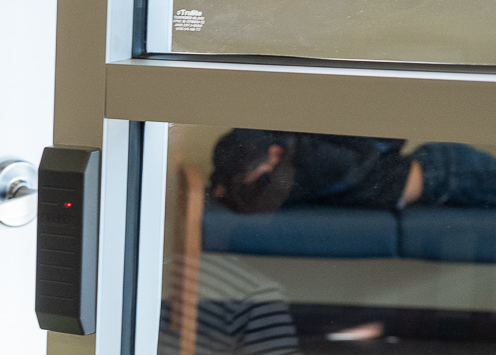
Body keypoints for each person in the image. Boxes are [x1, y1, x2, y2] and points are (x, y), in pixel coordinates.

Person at [210, 130, 496, 213]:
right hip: (439, 174)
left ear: (274, 154)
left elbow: (256, 201)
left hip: (446, 172)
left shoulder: (309, 162)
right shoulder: (290, 161)